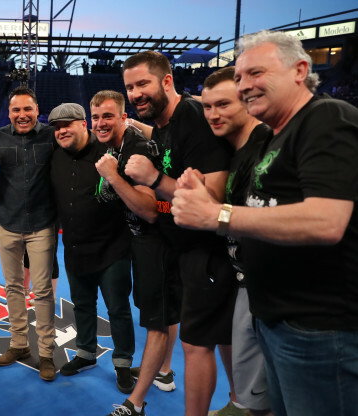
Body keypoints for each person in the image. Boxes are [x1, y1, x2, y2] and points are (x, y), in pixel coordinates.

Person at [171, 30, 358, 416]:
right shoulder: (273, 137)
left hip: (319, 326)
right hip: (273, 315)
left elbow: (327, 221)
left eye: (256, 73)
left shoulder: (326, 118)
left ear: (300, 70)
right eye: (239, 77)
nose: (244, 86)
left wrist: (215, 214)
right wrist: (201, 197)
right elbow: (262, 209)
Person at [121, 51, 237, 416]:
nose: (136, 93)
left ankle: (240, 402)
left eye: (143, 84)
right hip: (182, 247)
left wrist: (154, 179)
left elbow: (213, 199)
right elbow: (167, 139)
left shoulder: (192, 116)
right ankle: (241, 401)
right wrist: (134, 127)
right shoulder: (167, 124)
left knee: (197, 344)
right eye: (129, 87)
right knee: (217, 338)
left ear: (167, 81)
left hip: (205, 250)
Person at [87, 91, 176, 416]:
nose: (100, 123)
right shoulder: (119, 145)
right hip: (143, 242)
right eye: (95, 117)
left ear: (123, 117)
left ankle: (134, 403)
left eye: (108, 116)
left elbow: (151, 210)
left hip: (159, 241)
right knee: (163, 312)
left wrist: (111, 176)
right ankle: (163, 371)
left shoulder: (136, 148)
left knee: (156, 319)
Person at [0, 86, 57, 381]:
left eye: (27, 109)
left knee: (42, 292)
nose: (22, 115)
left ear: (37, 110)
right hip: (7, 222)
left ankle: (46, 354)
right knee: (13, 287)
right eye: (16, 110)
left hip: (41, 223)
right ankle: (18, 344)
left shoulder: (51, 136)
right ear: (9, 113)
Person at [48, 102, 136, 393]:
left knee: (118, 309)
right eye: (57, 127)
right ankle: (85, 354)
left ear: (83, 123)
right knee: (82, 306)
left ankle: (123, 363)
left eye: (67, 124)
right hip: (74, 247)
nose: (61, 131)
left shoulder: (109, 152)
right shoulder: (55, 156)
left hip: (113, 248)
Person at [200, 67, 273, 416]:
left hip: (275, 292)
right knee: (251, 395)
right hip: (245, 282)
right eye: (208, 106)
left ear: (247, 101)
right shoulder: (237, 149)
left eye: (224, 104)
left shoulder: (270, 145)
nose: (214, 114)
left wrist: (213, 214)